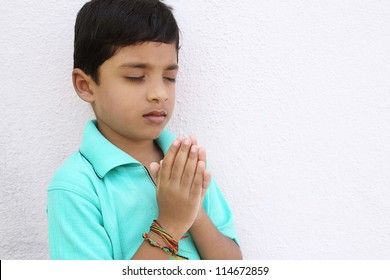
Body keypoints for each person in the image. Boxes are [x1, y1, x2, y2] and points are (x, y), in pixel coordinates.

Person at [47, 0, 242, 260]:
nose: (159, 93)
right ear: (86, 85)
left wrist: (191, 210)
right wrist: (170, 224)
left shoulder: (185, 164)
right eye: (135, 77)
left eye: (169, 77)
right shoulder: (76, 187)